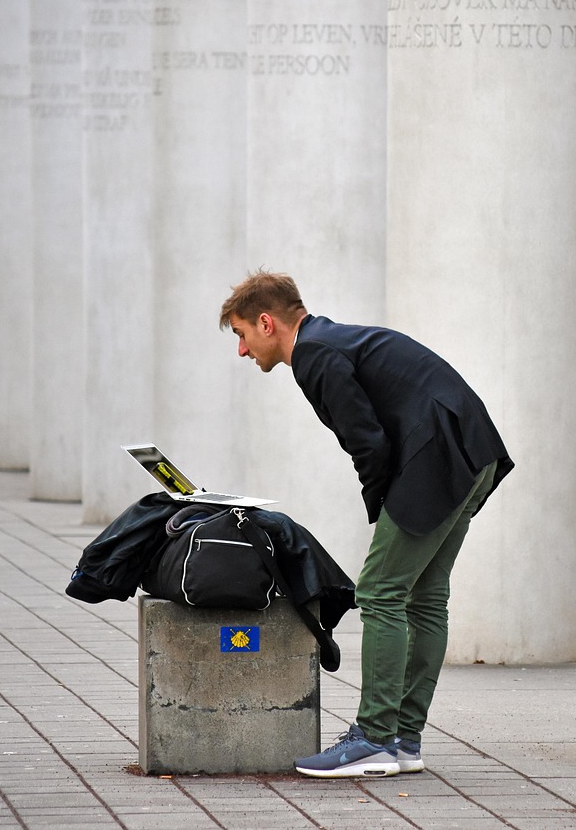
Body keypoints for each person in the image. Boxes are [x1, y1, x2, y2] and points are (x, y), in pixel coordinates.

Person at [219, 271, 513, 778]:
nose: (243, 351)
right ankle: (403, 739)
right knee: (424, 596)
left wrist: (381, 509)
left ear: (266, 323)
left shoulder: (313, 355)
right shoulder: (332, 340)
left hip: (438, 454)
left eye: (242, 335)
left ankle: (375, 738)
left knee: (378, 591)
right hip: (472, 449)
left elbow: (368, 444)